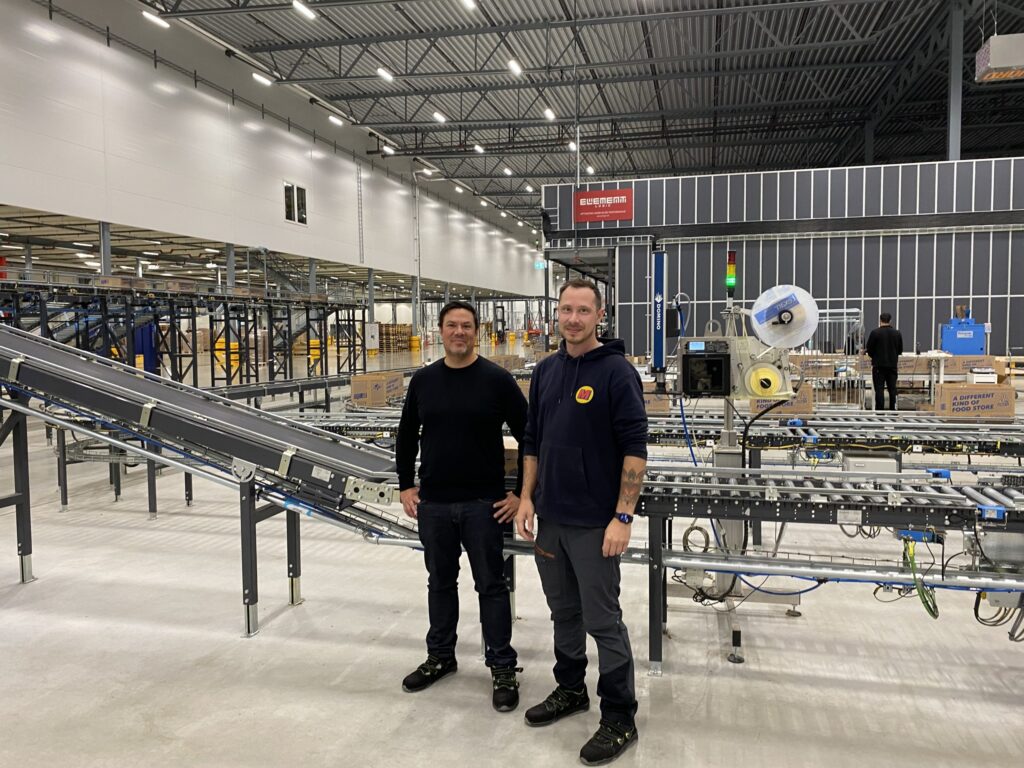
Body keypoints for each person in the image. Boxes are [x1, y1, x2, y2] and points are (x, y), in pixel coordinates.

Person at [515, 279, 648, 765]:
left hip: (595, 524)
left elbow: (635, 448)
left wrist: (622, 517)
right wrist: (527, 498)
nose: (573, 319)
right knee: (563, 613)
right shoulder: (546, 370)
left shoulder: (616, 372)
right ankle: (571, 690)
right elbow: (532, 440)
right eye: (566, 310)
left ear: (600, 315)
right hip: (550, 519)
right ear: (557, 314)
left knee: (602, 620)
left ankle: (619, 716)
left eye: (583, 311)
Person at [396, 300, 528, 712]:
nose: (459, 332)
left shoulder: (497, 380)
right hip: (434, 504)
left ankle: (502, 666)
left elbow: (531, 438)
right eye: (451, 325)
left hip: (484, 506)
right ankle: (440, 657)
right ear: (440, 331)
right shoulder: (423, 381)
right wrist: (405, 485)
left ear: (477, 332)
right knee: (440, 583)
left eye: (466, 326)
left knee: (491, 586)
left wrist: (522, 494)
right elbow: (405, 435)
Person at [865, 312, 903, 411]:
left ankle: (880, 413)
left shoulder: (875, 333)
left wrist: (875, 356)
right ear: (890, 321)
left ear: (880, 320)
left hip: (878, 366)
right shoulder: (897, 333)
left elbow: (869, 350)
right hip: (892, 366)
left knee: (879, 390)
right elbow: (900, 350)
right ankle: (893, 411)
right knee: (892, 389)